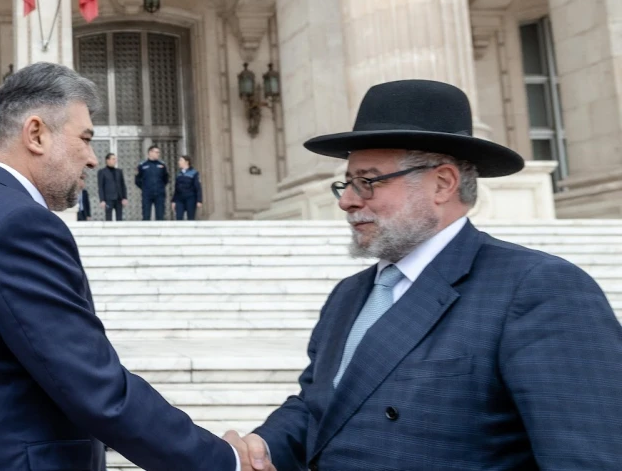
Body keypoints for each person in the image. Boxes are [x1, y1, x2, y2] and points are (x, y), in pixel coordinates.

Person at [227, 79, 622, 471]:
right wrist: (261, 448)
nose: (347, 201)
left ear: (442, 183)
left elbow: (589, 459)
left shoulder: (538, 288)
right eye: (346, 183)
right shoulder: (348, 295)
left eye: (367, 182)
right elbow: (322, 408)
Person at [0, 62, 272, 471]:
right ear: (36, 134)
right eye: (86, 138)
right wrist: (223, 460)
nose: (93, 159)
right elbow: (96, 388)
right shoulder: (18, 225)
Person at [135, 146, 169, 221]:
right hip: (147, 194)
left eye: (158, 152)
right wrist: (145, 188)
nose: (158, 154)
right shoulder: (142, 165)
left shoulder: (162, 165)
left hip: (159, 194)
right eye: (156, 152)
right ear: (150, 152)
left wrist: (160, 187)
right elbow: (137, 180)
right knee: (146, 216)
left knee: (160, 216)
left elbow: (166, 179)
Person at [97, 152, 127, 221]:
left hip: (119, 199)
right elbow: (100, 187)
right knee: (108, 219)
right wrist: (102, 200)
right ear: (107, 160)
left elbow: (123, 185)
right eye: (113, 159)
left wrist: (124, 197)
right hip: (108, 199)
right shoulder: (102, 172)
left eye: (115, 159)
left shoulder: (119, 171)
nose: (115, 161)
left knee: (119, 219)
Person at [171, 155, 202, 220]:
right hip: (179, 199)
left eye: (181, 160)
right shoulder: (179, 174)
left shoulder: (194, 173)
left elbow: (198, 187)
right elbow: (176, 189)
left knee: (190, 218)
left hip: (190, 198)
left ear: (186, 162)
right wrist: (173, 201)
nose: (179, 162)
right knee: (179, 217)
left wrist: (199, 200)